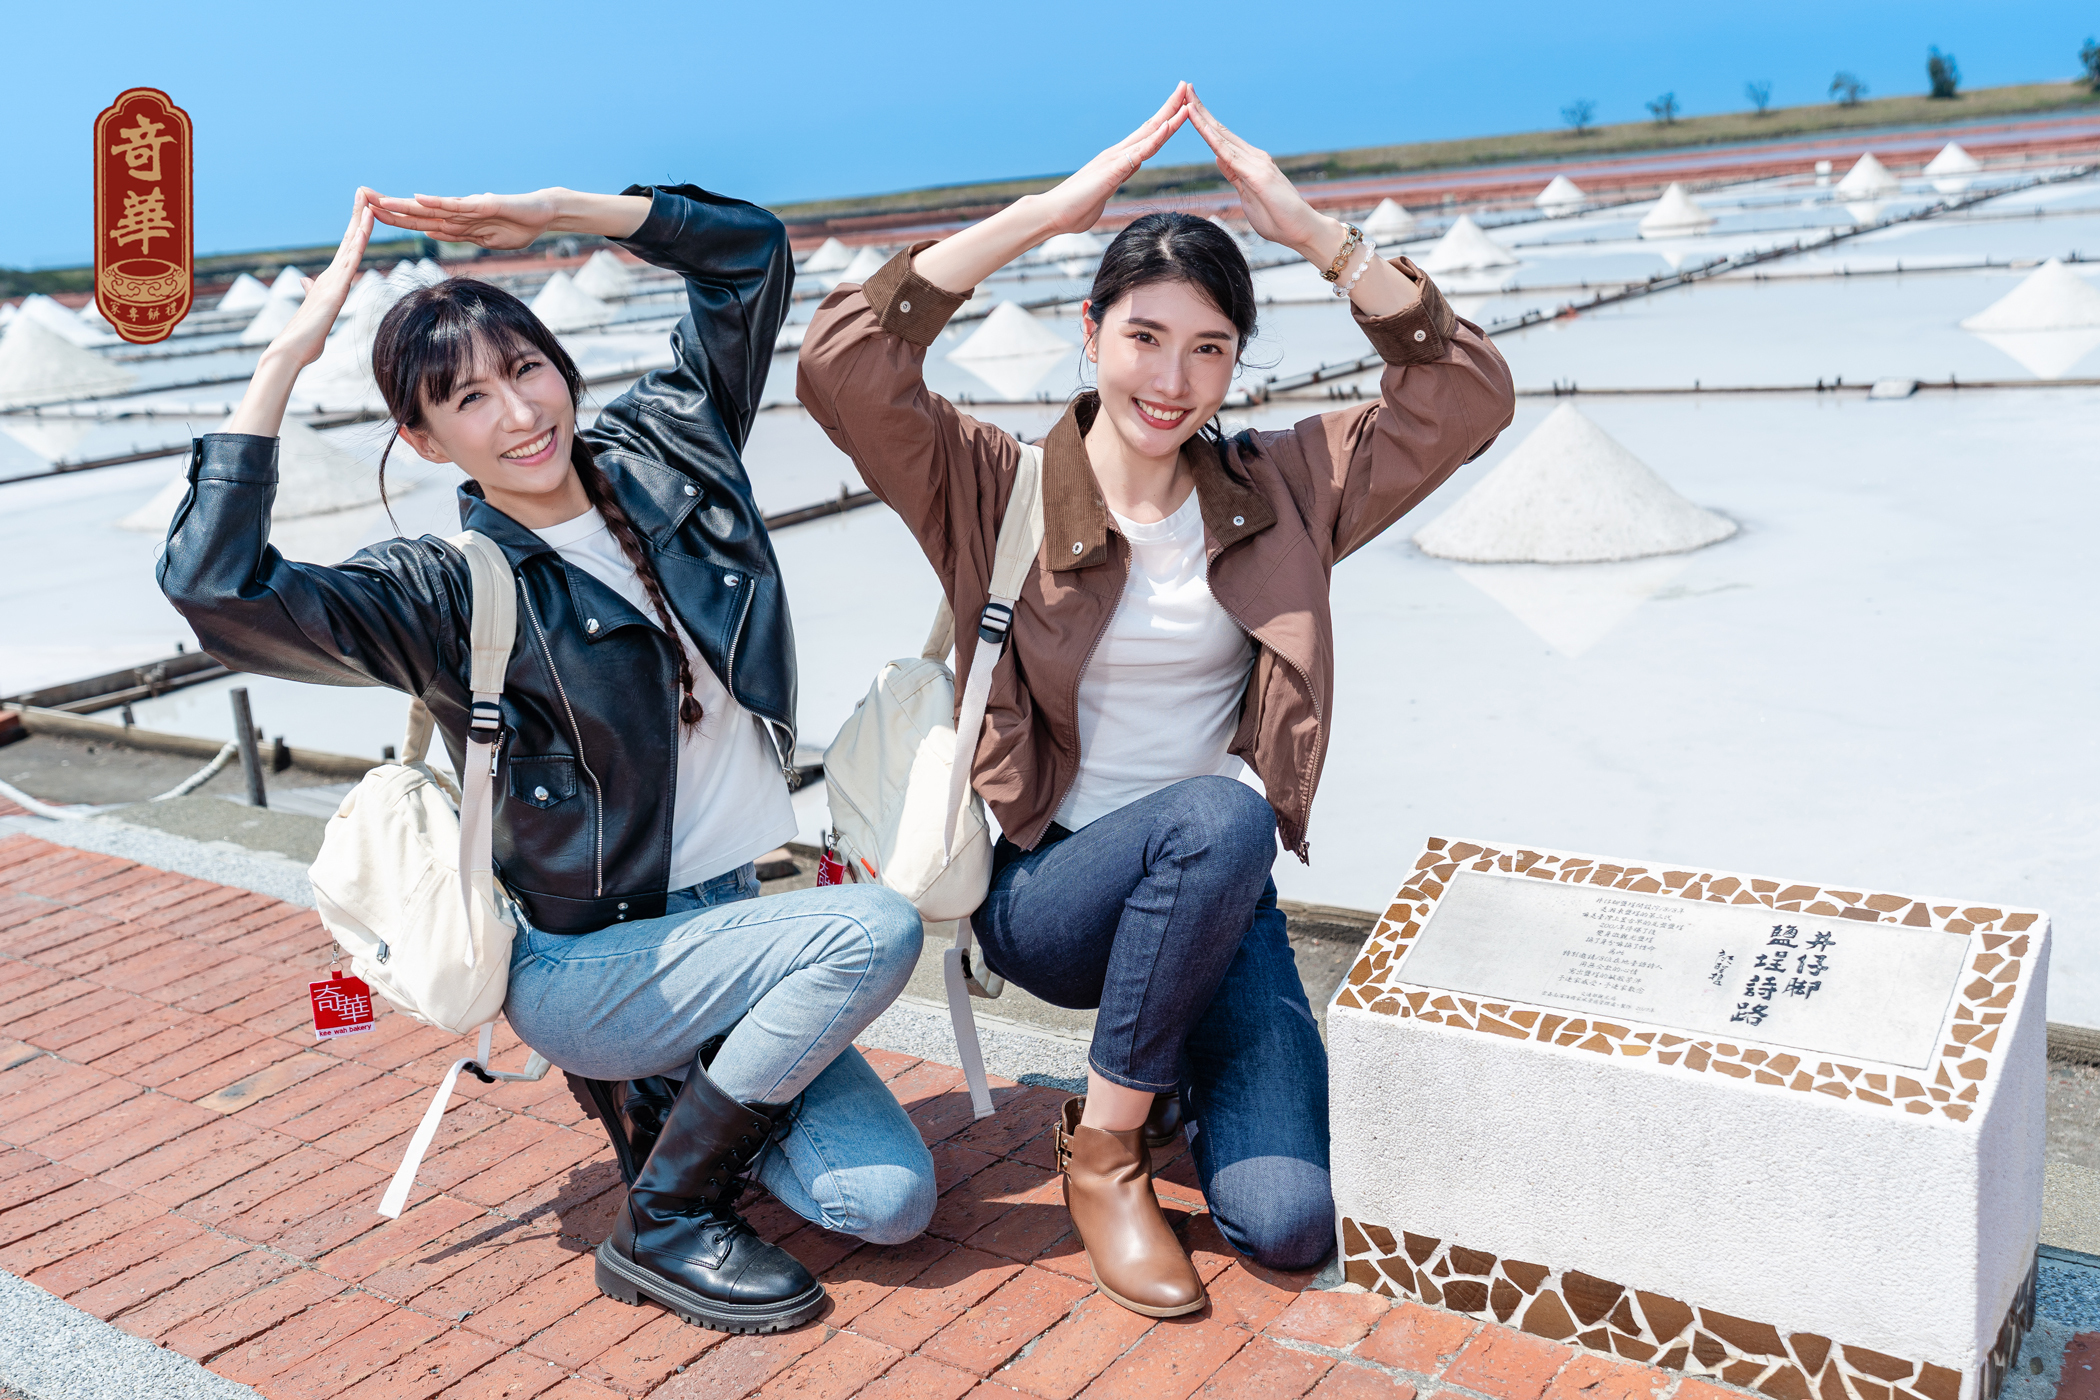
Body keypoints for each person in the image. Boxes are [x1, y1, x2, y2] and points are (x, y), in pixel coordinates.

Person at [158, 183, 935, 1335]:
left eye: (528, 369)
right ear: (424, 440)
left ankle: (676, 1089)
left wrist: (566, 212)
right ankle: (665, 1215)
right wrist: (285, 356)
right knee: (872, 928)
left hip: (733, 928)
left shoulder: (670, 447)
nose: (520, 412)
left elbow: (748, 259)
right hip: (592, 965)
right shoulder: (442, 589)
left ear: (562, 367)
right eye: (470, 398)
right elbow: (218, 592)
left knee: (883, 1199)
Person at [798, 84, 1514, 1316]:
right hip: (1051, 892)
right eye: (1144, 336)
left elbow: (1470, 397)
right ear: (1091, 334)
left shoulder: (1284, 487)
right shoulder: (995, 486)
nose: (1172, 379)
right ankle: (1107, 1152)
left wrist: (1319, 237)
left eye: (1209, 347)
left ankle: (1154, 1072)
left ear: (1237, 359)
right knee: (1223, 812)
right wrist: (1043, 213)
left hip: (1219, 900)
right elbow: (842, 364)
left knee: (1285, 1221)